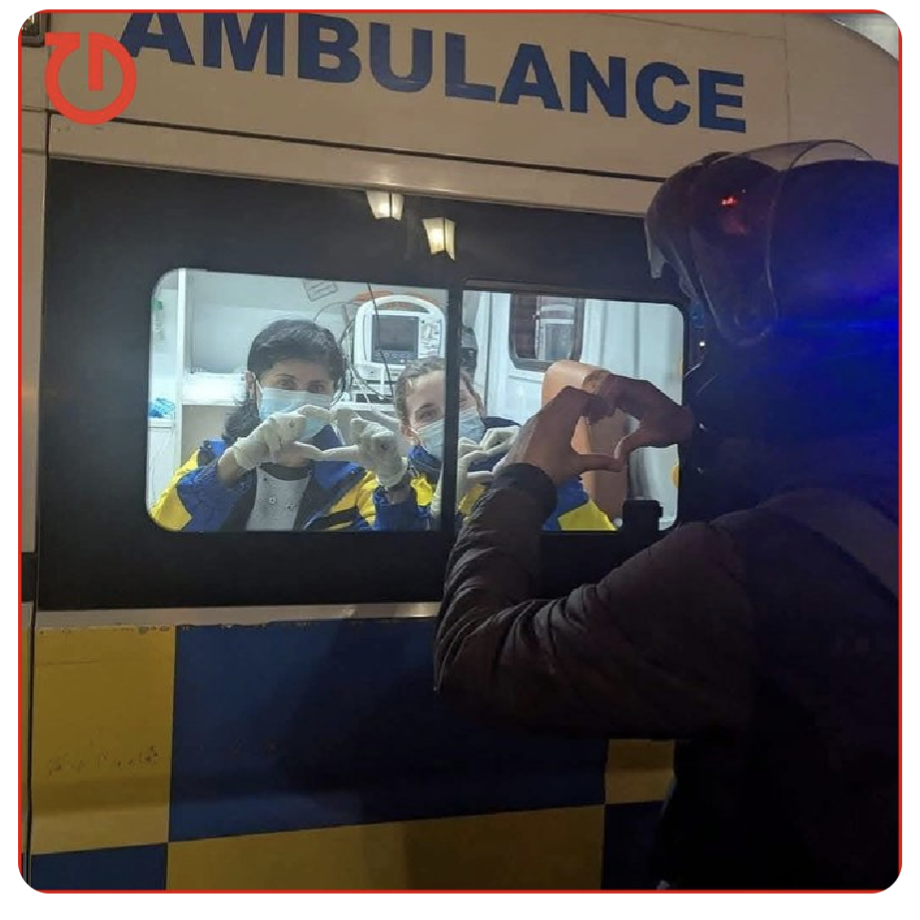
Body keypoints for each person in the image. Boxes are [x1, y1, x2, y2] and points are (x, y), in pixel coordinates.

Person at [432, 141, 898, 890]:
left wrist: (520, 482)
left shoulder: (737, 572)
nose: (701, 329)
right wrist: (702, 435)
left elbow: (480, 663)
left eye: (698, 302)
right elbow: (823, 496)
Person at [150, 318, 377, 531]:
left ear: (333, 393)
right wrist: (231, 466)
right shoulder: (210, 459)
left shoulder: (354, 480)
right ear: (252, 384)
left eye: (317, 387)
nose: (301, 399)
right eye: (286, 383)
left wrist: (396, 489)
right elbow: (162, 528)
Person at [363, 357, 615, 531]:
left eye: (458, 402)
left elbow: (596, 544)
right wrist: (432, 516)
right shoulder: (401, 486)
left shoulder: (528, 459)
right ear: (409, 432)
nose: (449, 419)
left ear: (478, 404)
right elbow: (393, 565)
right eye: (428, 414)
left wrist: (539, 477)